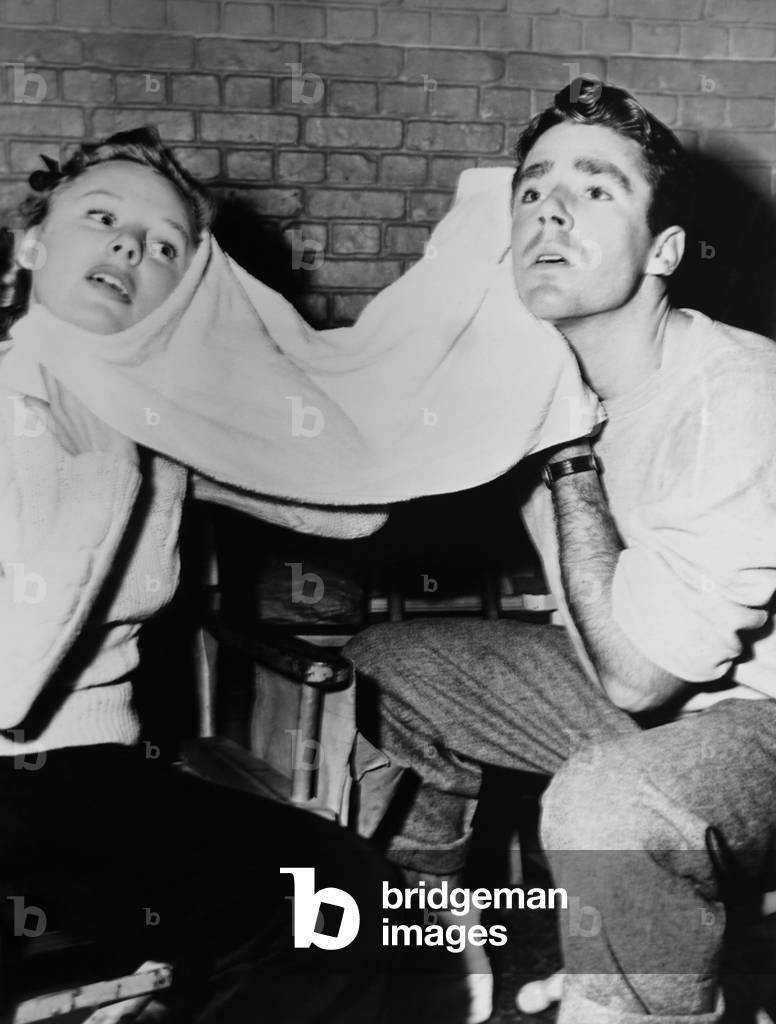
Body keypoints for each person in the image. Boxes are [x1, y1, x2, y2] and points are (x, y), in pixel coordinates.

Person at [345, 79, 776, 1024]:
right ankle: (425, 957)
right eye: (533, 189)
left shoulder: (737, 393)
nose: (550, 207)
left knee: (610, 804)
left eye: (595, 188)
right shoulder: (544, 379)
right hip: (677, 701)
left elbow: (636, 680)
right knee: (388, 671)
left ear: (664, 251)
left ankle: (639, 1009)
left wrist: (567, 454)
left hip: (763, 722)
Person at [0, 128, 395, 1023]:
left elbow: (352, 508)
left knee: (335, 900)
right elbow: (9, 675)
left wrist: (212, 382)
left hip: (90, 780)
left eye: (167, 246)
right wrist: (104, 426)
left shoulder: (144, 420)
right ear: (32, 244)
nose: (130, 247)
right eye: (102, 217)